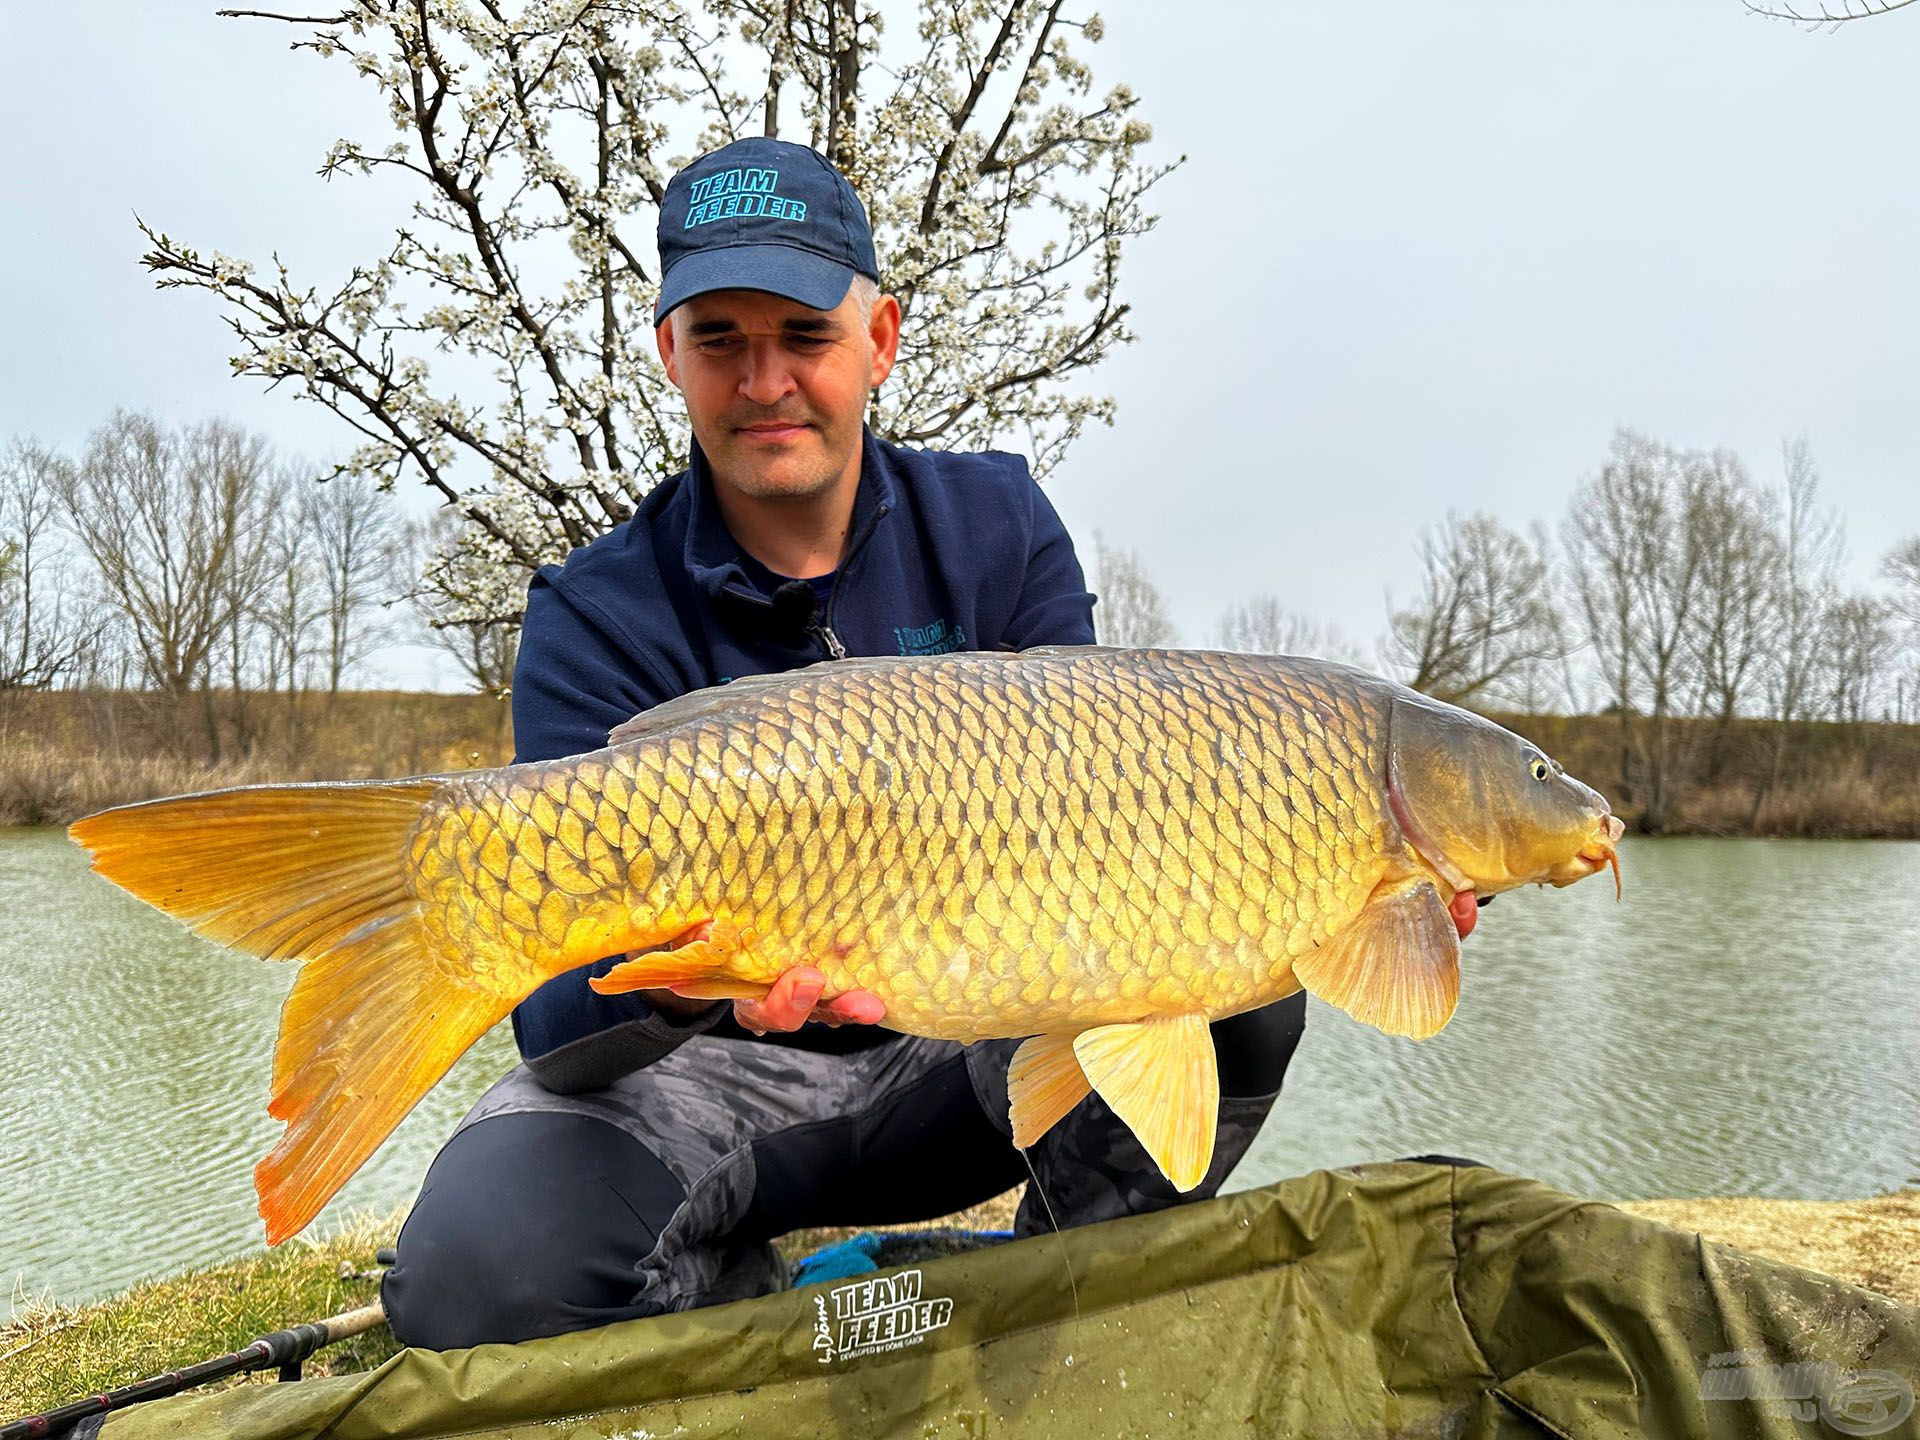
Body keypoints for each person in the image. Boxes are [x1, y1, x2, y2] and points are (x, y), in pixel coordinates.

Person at [380, 137, 1310, 1350]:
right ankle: (729, 1305)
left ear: (878, 340)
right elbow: (559, 1041)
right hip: (711, 1083)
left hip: (965, 1060)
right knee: (477, 1278)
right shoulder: (595, 612)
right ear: (671, 354)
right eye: (720, 337)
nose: (765, 380)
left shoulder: (998, 525)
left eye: (805, 336)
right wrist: (675, 983)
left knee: (1245, 977)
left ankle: (1053, 1291)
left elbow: (1113, 825)